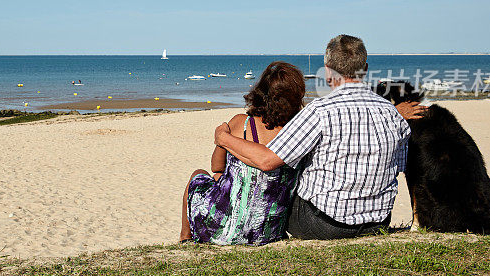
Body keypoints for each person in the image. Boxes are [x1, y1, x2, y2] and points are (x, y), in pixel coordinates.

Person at [215, 34, 423, 240]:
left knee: (282, 186)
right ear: (365, 69)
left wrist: (223, 138)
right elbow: (398, 166)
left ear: (327, 72)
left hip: (325, 224)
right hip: (378, 222)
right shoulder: (392, 113)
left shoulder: (320, 111)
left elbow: (267, 160)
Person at [179, 61, 305, 245]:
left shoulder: (242, 124)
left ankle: (185, 237)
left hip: (221, 231)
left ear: (261, 93)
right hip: (267, 234)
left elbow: (216, 166)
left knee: (199, 175)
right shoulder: (299, 133)